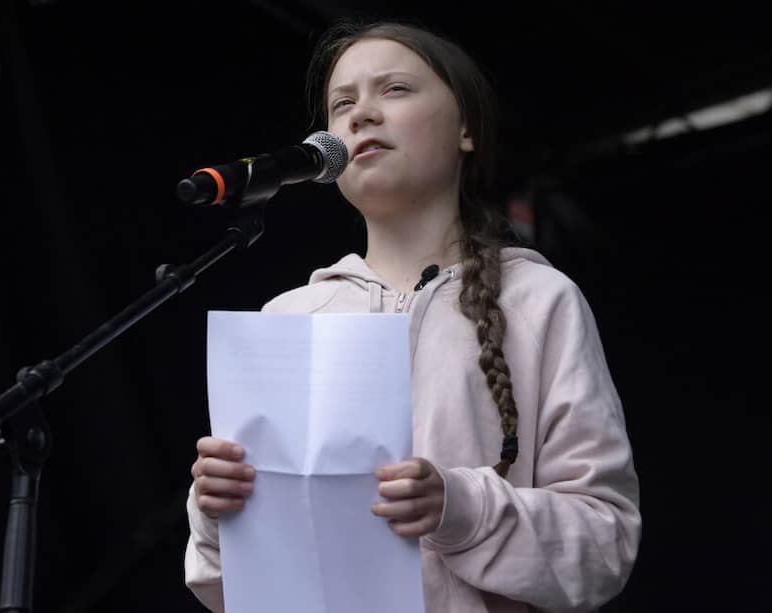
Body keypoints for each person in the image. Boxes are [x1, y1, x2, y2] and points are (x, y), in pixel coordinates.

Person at [185, 18, 641, 613]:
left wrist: (460, 508)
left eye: (394, 89)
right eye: (342, 103)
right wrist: (217, 515)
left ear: (465, 129)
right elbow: (233, 592)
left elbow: (605, 543)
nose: (361, 115)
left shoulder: (539, 300)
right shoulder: (289, 317)